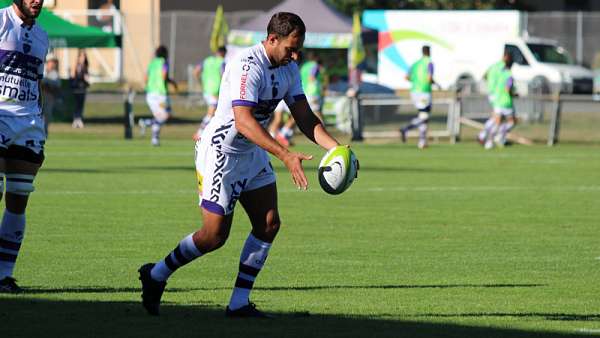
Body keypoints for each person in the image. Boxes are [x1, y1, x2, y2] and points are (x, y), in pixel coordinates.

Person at [138, 12, 349, 317]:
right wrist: (286, 155)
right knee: (213, 237)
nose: (295, 55)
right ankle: (156, 274)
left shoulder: (289, 69)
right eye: (291, 48)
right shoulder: (247, 66)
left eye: (298, 49)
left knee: (268, 224)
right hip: (221, 154)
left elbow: (304, 116)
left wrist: (337, 150)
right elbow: (244, 121)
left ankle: (238, 303)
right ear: (272, 39)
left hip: (251, 153)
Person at [0, 0, 49, 293]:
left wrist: (40, 125)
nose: (37, 0)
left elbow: (37, 83)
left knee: (18, 199)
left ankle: (3, 275)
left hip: (28, 123)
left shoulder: (43, 36)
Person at [139, 46, 177, 146]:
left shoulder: (151, 63)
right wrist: (172, 82)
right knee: (166, 115)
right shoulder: (164, 62)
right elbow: (164, 75)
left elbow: (145, 77)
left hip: (150, 94)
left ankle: (155, 139)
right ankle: (145, 122)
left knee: (158, 116)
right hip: (160, 94)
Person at [400, 45, 434, 149]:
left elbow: (406, 77)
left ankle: (422, 142)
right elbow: (429, 78)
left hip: (414, 92)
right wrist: (433, 82)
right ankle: (406, 128)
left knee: (422, 115)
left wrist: (416, 81)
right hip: (424, 91)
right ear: (429, 52)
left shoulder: (415, 63)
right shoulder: (429, 62)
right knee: (424, 117)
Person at [478, 51, 512, 147]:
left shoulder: (493, 66)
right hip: (500, 96)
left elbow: (484, 76)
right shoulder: (504, 68)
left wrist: (490, 85)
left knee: (496, 118)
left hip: (492, 94)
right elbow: (506, 83)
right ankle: (489, 138)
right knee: (497, 119)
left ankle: (483, 136)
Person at [193, 46, 227, 141]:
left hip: (207, 90)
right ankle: (199, 133)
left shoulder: (207, 60)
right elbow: (224, 76)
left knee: (215, 114)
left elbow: (196, 71)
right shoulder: (222, 62)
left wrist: (201, 83)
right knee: (211, 113)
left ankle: (208, 134)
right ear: (223, 53)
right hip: (215, 92)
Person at [41, 56, 61, 136]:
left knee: (47, 117)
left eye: (54, 62)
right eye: (51, 62)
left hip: (49, 98)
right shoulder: (43, 71)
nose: (52, 64)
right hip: (39, 99)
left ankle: (44, 134)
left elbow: (56, 87)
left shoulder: (54, 74)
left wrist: (45, 84)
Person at [71, 49, 89, 129]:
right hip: (76, 88)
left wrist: (87, 80)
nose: (83, 58)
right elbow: (73, 77)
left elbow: (87, 78)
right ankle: (75, 119)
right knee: (76, 104)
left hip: (83, 88)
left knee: (81, 105)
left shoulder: (85, 67)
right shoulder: (76, 66)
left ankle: (79, 119)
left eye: (84, 56)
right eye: (81, 56)